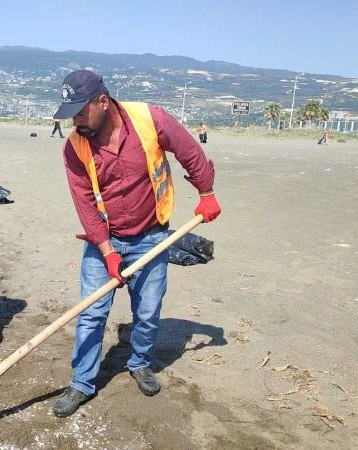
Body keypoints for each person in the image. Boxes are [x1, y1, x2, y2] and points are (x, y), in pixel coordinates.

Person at [51, 70, 221, 417]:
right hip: (105, 238)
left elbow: (189, 151)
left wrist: (206, 193)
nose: (75, 122)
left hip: (151, 236)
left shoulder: (150, 120)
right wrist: (108, 252)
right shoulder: (74, 147)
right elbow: (85, 204)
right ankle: (82, 382)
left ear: (103, 101)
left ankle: (140, 362)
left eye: (80, 112)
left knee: (147, 311)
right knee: (92, 313)